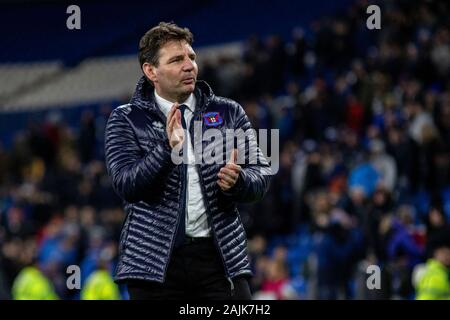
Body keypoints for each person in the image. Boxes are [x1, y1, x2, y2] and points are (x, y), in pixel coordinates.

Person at [104, 22, 272, 300]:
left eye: (191, 57)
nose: (189, 66)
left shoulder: (228, 112)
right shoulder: (126, 119)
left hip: (220, 261)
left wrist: (239, 181)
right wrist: (167, 150)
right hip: (153, 265)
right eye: (176, 60)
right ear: (151, 71)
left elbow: (262, 174)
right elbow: (126, 185)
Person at [415, 229, 450, 300]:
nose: (447, 256)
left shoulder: (443, 273)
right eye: (443, 252)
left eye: (448, 253)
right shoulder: (435, 276)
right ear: (435, 254)